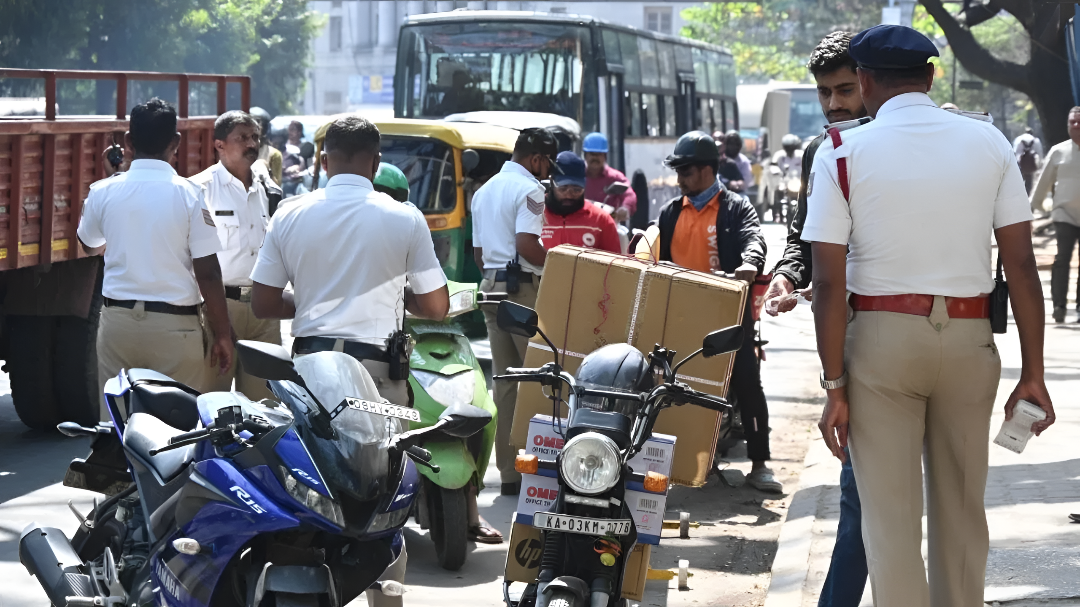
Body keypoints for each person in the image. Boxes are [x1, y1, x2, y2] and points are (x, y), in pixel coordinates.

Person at [806, 25, 1055, 607]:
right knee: (963, 514)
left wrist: (834, 385)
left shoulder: (840, 154)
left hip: (881, 346)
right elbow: (1020, 265)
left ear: (864, 81)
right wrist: (1035, 371)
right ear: (932, 75)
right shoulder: (989, 143)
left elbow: (826, 281)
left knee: (889, 524)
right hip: (971, 343)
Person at [761, 31, 870, 607]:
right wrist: (786, 273)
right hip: (846, 339)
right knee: (859, 493)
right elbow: (806, 237)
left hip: (904, 328)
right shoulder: (818, 150)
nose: (835, 105)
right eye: (825, 93)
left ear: (871, 82)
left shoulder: (898, 142)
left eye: (845, 89)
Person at [250, 115, 448, 408]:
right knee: (382, 455)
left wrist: (313, 299)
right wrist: (394, 294)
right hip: (377, 375)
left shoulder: (287, 214)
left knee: (311, 454)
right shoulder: (406, 218)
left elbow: (263, 303)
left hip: (309, 372)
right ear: (376, 163)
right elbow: (435, 307)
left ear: (325, 161)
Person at [77, 98, 233, 411]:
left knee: (118, 429)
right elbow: (208, 273)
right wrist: (223, 334)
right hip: (175, 330)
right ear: (175, 142)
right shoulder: (189, 194)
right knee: (179, 433)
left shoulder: (103, 191)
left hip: (117, 324)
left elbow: (90, 244)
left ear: (128, 142)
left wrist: (113, 178)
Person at [655, 131, 777, 493]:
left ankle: (760, 464)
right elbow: (657, 255)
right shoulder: (670, 212)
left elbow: (755, 239)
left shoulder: (737, 207)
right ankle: (667, 462)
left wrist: (750, 263)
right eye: (677, 171)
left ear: (708, 170)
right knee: (663, 387)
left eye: (686, 171)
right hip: (681, 318)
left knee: (747, 384)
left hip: (728, 317)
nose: (679, 179)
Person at [471, 127, 558, 496]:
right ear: (535, 159)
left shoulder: (484, 190)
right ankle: (544, 469)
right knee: (542, 379)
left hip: (490, 288)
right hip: (521, 288)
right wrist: (560, 265)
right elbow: (527, 245)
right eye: (546, 163)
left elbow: (477, 254)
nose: (546, 171)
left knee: (505, 383)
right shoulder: (530, 189)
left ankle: (509, 474)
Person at [190, 111, 283, 401]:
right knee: (213, 404)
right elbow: (192, 259)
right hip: (219, 308)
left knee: (267, 406)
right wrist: (218, 321)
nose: (251, 143)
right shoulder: (199, 189)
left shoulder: (266, 188)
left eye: (255, 136)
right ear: (219, 145)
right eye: (241, 137)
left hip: (263, 310)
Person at [1029, 109, 1080, 323]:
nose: (1075, 126)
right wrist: (1031, 210)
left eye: (1079, 122)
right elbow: (1043, 183)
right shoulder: (1059, 152)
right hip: (1064, 214)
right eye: (1072, 122)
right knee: (1062, 259)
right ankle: (1059, 306)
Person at [540, 151, 622, 254]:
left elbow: (615, 265)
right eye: (563, 189)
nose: (569, 195)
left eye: (576, 190)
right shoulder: (533, 214)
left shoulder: (601, 220)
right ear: (551, 183)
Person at [582, 132, 637, 224]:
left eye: (599, 154)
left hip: (608, 225)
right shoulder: (577, 176)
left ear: (605, 156)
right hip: (581, 225)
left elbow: (629, 194)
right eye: (592, 154)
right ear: (585, 156)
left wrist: (625, 208)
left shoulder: (615, 177)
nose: (595, 158)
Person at [250, 106, 283, 186]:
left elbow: (276, 186)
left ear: (265, 128)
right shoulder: (237, 151)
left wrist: (264, 170)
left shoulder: (274, 154)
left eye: (258, 122)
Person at [1013, 126, 1043, 193]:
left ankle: (1019, 193)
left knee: (1019, 180)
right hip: (1031, 163)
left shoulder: (1018, 139)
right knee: (1029, 181)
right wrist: (1040, 164)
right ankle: (1027, 194)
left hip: (1020, 163)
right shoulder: (1035, 140)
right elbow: (1039, 152)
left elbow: (1015, 152)